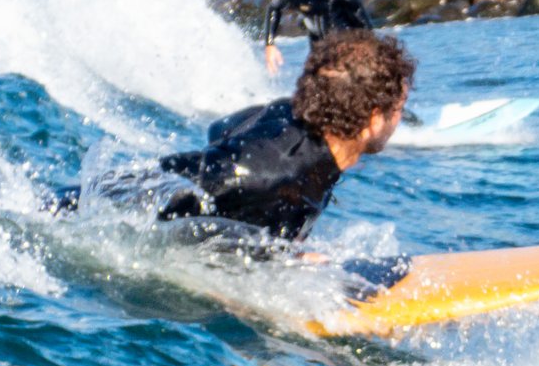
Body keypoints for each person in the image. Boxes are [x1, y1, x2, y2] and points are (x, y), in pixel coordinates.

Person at [154, 30, 416, 241]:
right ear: (374, 119)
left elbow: (220, 128)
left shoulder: (292, 113)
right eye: (398, 108)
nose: (400, 118)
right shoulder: (272, 173)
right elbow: (163, 185)